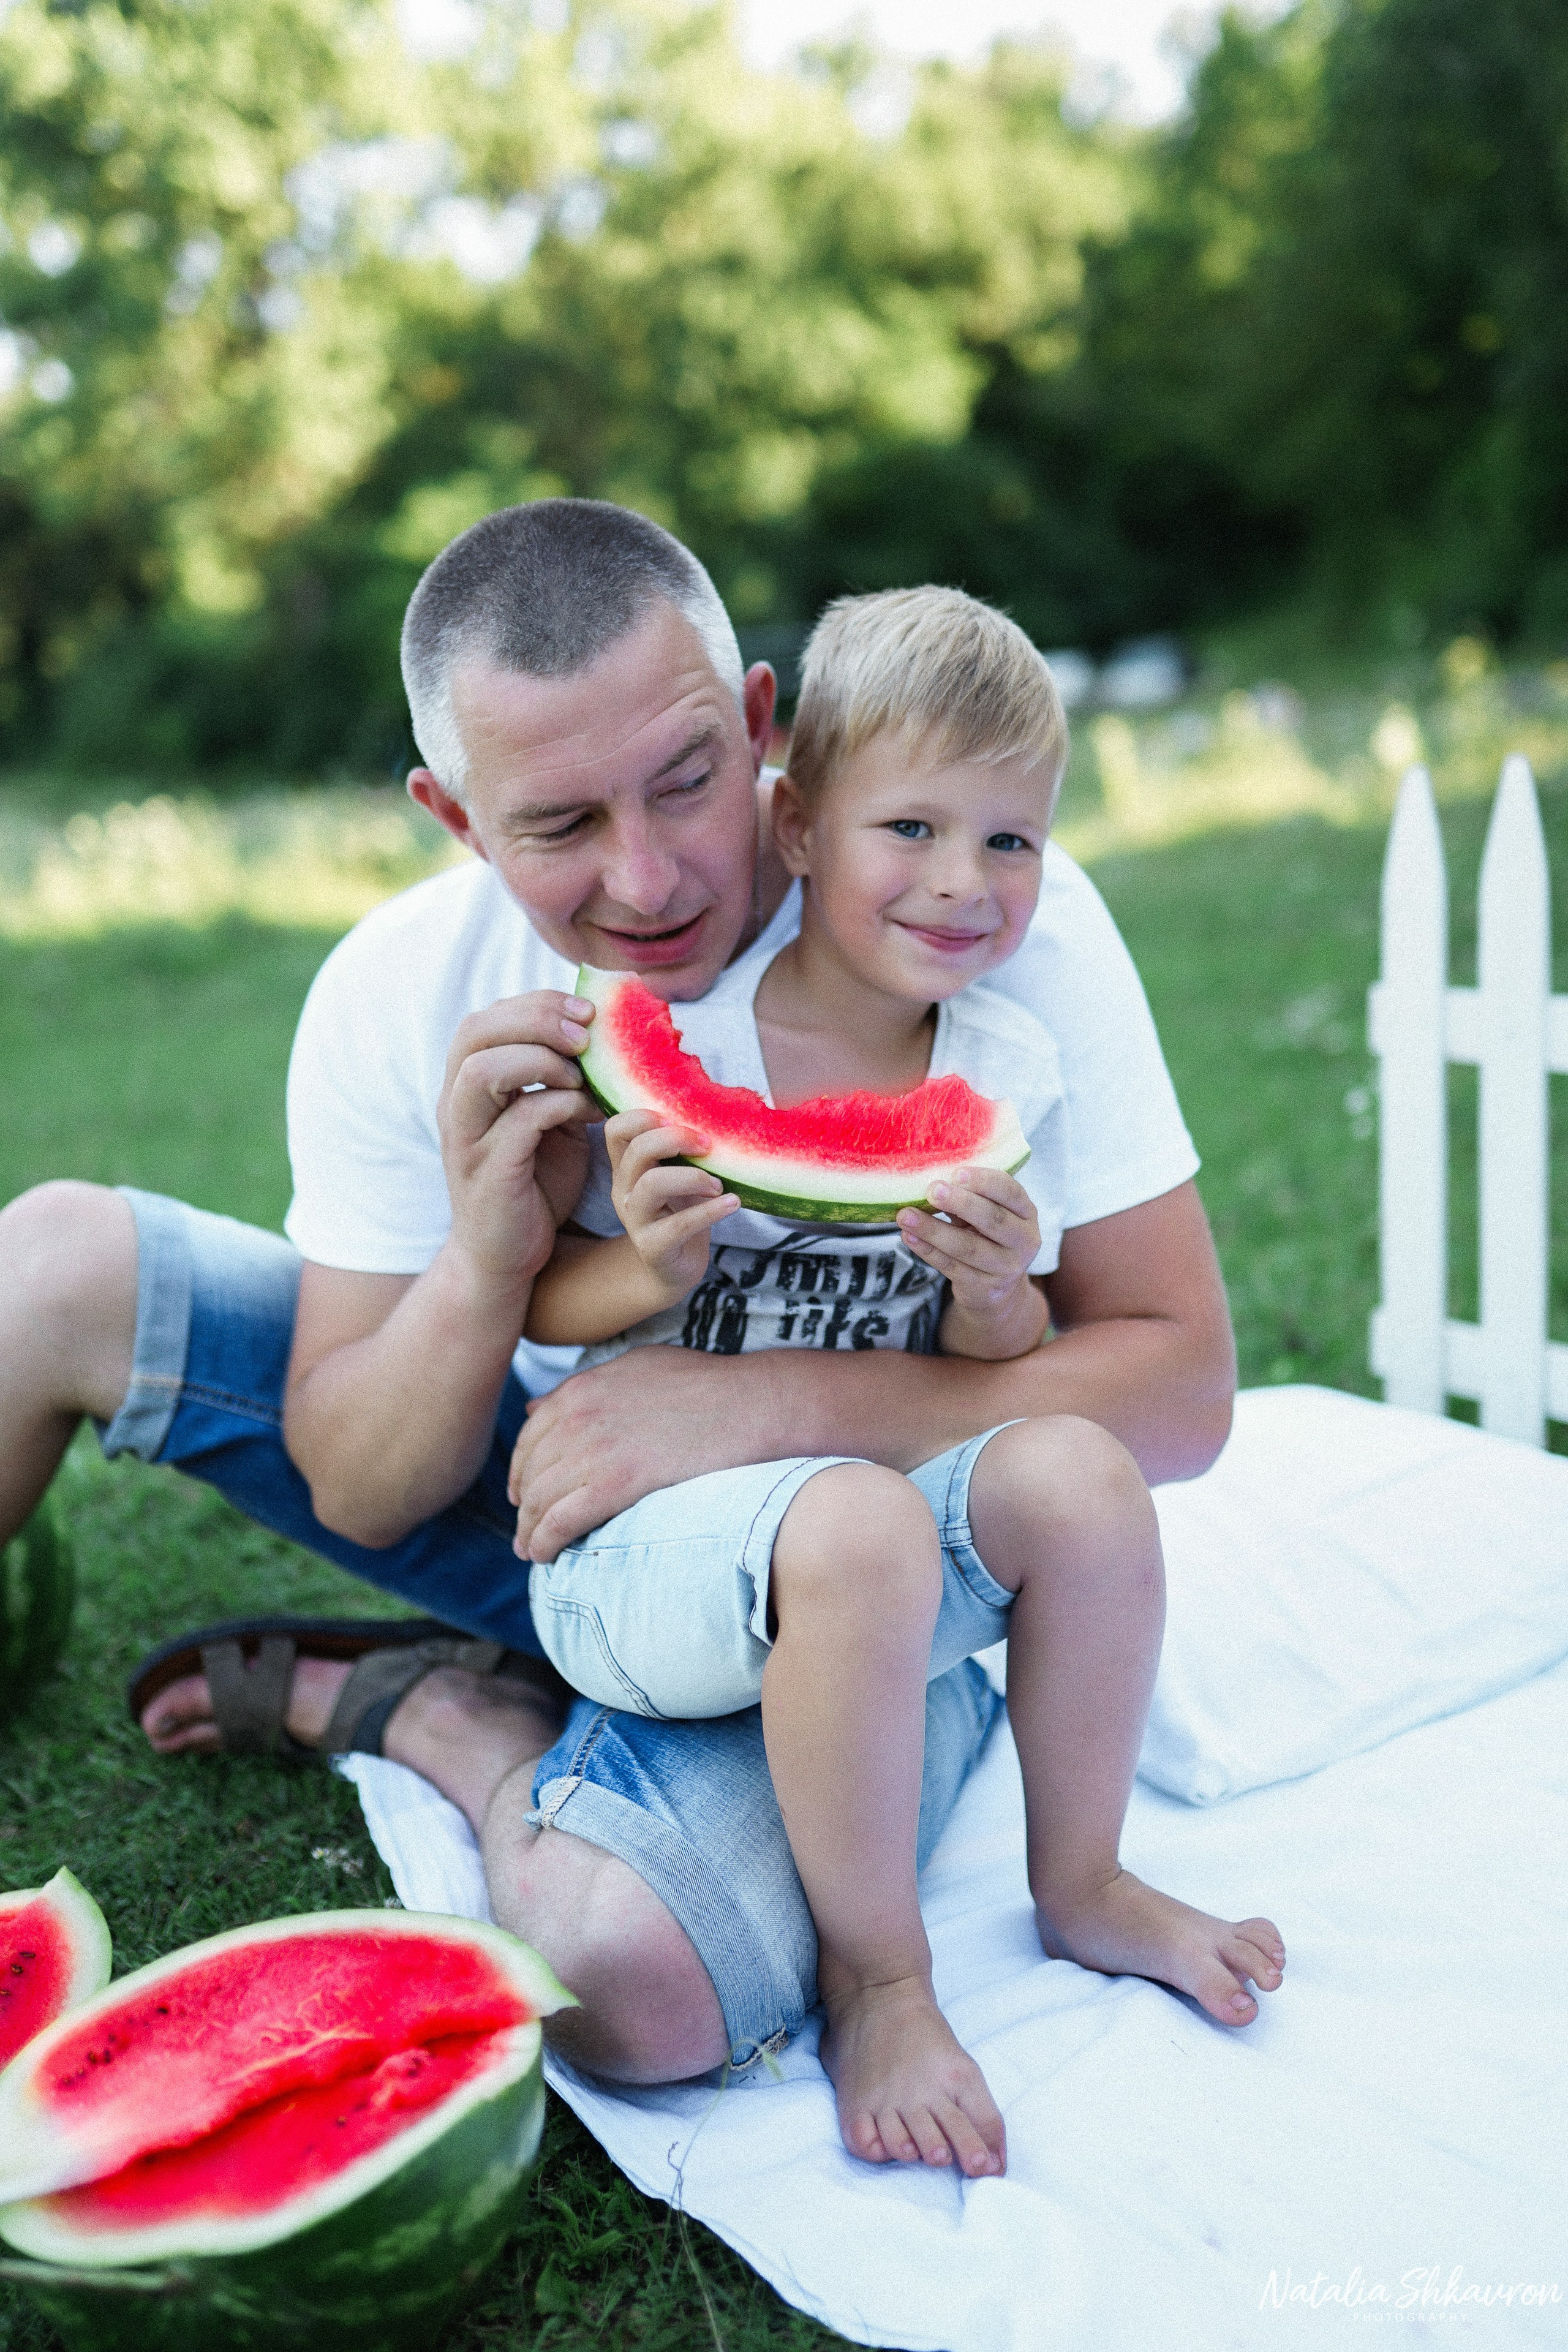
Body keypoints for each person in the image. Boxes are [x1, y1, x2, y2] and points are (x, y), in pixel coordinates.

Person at [0, 498, 1239, 2181]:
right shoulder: (400, 991)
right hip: (556, 1501)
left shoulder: (966, 905)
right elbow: (363, 1485)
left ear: (760, 727)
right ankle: (509, 1678)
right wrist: (490, 1257)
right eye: (561, 823)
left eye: (684, 782)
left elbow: (1177, 1384)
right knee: (47, 1265)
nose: (648, 879)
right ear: (451, 816)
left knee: (631, 1986)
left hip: (862, 1567)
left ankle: (445, 1718)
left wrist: (750, 1410)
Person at [518, 586, 1283, 2174]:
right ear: (796, 828)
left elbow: (986, 1373)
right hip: (646, 1555)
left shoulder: (1003, 1071)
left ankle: (1084, 1883)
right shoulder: (675, 1038)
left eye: (1012, 842)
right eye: (914, 829)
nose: (964, 882)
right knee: (858, 1522)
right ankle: (880, 1979)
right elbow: (552, 1300)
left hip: (858, 1540)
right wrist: (648, 1269)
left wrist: (1002, 1292)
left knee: (1075, 1462)